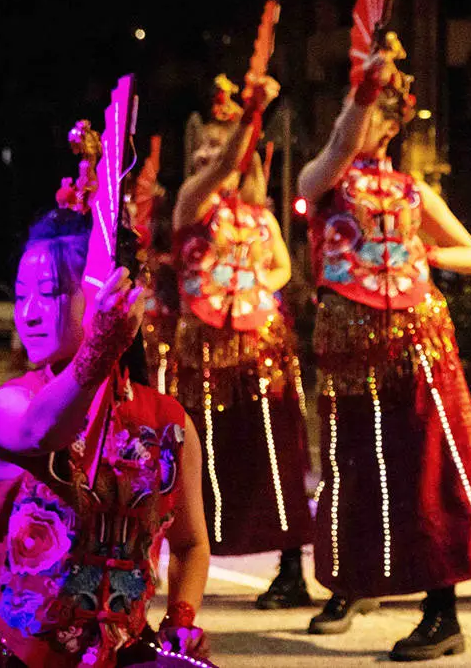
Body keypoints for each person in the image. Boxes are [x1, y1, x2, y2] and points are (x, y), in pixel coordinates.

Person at [296, 42, 471, 660]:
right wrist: (364, 88)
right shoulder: (323, 178)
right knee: (350, 466)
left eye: (384, 112)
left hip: (417, 339)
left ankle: (441, 612)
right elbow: (336, 146)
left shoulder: (412, 191)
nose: (373, 122)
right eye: (364, 112)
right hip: (350, 346)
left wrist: (423, 258)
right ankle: (354, 582)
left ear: (396, 123)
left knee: (426, 471)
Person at [0, 204, 211, 666]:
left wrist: (181, 620)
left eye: (50, 293)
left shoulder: (167, 422)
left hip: (119, 652)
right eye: (20, 296)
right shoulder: (9, 405)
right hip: (12, 656)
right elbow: (41, 432)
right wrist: (98, 349)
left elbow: (191, 544)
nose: (29, 313)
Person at [172, 74, 315, 608]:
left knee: (277, 457)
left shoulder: (260, 216)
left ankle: (290, 570)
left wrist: (255, 287)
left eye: (222, 144)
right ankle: (193, 559)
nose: (214, 154)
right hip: (203, 352)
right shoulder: (190, 203)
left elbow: (280, 267)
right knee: (203, 459)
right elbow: (221, 169)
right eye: (205, 145)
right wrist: (249, 121)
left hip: (262, 348)